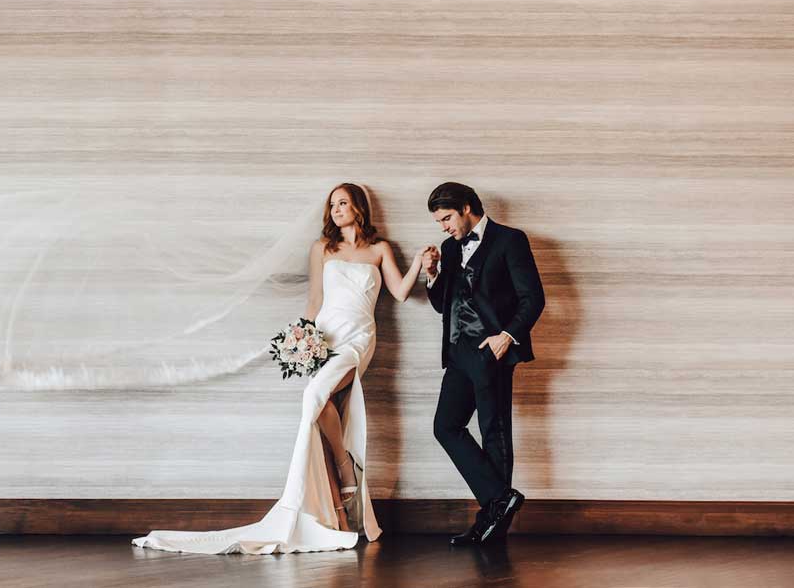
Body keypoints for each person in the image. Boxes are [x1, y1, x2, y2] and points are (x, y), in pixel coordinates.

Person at [133, 182, 435, 554]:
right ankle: (339, 513)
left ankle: (344, 469)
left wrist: (421, 262)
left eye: (343, 203)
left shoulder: (379, 249)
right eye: (333, 205)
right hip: (325, 335)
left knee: (314, 397)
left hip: (358, 340)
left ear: (359, 207)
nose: (336, 209)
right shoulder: (322, 248)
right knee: (321, 410)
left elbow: (401, 292)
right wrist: (301, 341)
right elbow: (315, 300)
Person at [422, 182, 545, 546]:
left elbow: (533, 298)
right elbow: (446, 305)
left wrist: (506, 337)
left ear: (467, 207)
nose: (444, 227)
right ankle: (499, 500)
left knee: (495, 433)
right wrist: (432, 275)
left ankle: (492, 524)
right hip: (459, 352)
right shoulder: (448, 247)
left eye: (447, 218)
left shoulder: (510, 240)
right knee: (446, 426)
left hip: (492, 350)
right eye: (439, 221)